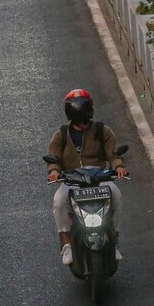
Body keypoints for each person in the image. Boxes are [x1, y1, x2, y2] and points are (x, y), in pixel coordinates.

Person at [46, 89, 126, 265]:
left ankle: (115, 241)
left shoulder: (102, 130)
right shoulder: (61, 134)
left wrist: (118, 166)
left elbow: (114, 153)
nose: (83, 123)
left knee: (117, 196)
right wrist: (53, 170)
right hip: (72, 179)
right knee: (59, 202)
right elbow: (54, 156)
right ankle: (66, 245)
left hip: (99, 177)